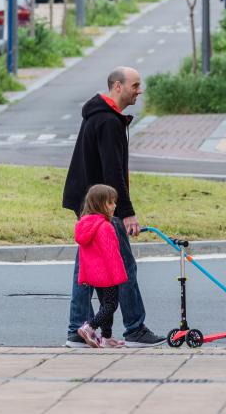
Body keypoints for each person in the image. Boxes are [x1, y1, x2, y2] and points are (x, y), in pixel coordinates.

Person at [62, 66, 164, 348]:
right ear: (117, 87)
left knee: (85, 267)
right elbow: (113, 171)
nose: (139, 90)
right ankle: (134, 328)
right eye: (135, 85)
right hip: (103, 206)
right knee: (123, 266)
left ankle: (77, 328)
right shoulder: (108, 122)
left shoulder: (100, 116)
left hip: (88, 204)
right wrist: (125, 211)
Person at [74, 184, 128, 348]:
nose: (114, 206)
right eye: (110, 203)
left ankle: (107, 337)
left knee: (105, 304)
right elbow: (112, 255)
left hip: (94, 275)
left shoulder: (85, 225)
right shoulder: (105, 227)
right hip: (108, 274)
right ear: (99, 204)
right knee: (111, 305)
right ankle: (89, 327)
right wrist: (119, 276)